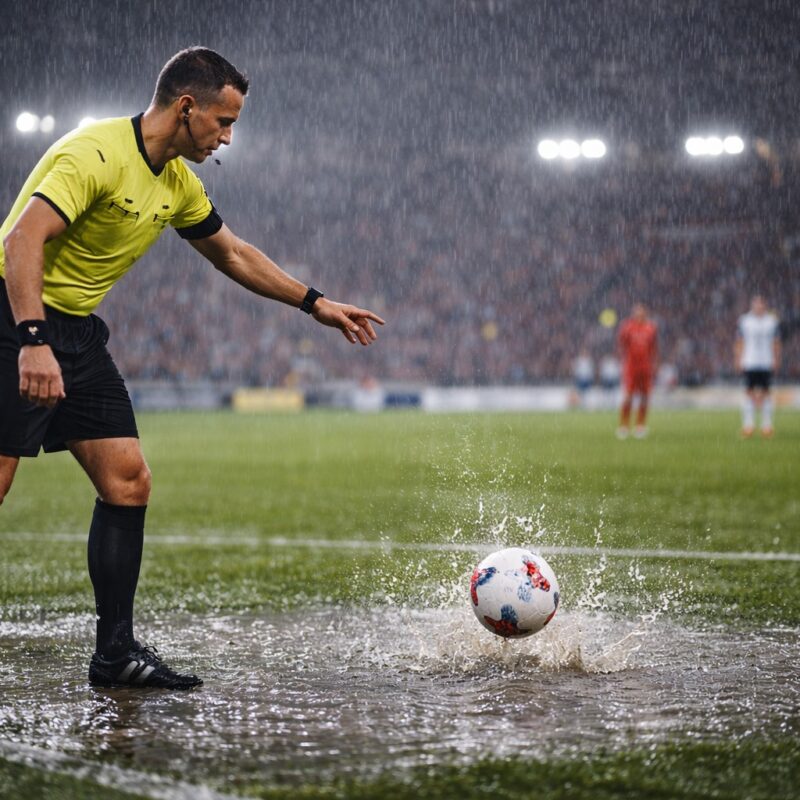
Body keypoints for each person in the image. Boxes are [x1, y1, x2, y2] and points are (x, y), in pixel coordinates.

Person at [0, 48, 384, 689]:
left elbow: (232, 254)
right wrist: (31, 340)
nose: (228, 137)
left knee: (128, 481)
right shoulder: (94, 152)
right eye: (223, 121)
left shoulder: (177, 182)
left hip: (77, 334)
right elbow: (21, 240)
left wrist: (314, 304)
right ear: (186, 106)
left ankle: (115, 654)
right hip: (14, 318)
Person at [735, 295, 780, 437]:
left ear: (764, 305)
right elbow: (739, 341)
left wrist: (776, 358)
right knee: (749, 393)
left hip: (766, 361)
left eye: (761, 304)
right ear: (752, 306)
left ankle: (767, 426)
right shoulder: (745, 321)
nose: (759, 307)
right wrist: (738, 358)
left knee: (766, 394)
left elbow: (776, 342)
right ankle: (748, 425)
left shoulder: (772, 321)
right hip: (750, 361)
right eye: (756, 304)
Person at [616, 303, 657, 439]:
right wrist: (622, 363)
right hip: (631, 368)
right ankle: (624, 426)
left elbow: (654, 349)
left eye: (641, 312)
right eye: (636, 312)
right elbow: (621, 346)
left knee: (645, 397)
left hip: (645, 368)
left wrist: (655, 365)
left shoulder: (650, 328)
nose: (639, 314)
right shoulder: (627, 327)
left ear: (645, 313)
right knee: (628, 397)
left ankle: (640, 425)